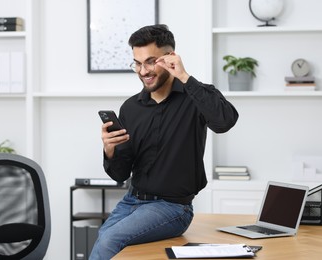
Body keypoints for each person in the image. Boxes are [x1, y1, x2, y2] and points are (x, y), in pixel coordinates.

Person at [89, 24, 239, 260]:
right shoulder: (130, 107)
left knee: (109, 240)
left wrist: (184, 77)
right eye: (137, 63)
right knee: (103, 238)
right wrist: (110, 150)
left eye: (150, 61)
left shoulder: (196, 97)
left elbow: (225, 122)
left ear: (171, 58)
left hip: (173, 208)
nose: (143, 71)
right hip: (133, 200)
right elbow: (120, 174)